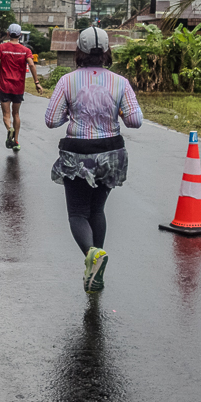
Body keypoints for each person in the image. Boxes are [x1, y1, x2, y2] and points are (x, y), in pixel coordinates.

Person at [44, 27, 142, 293]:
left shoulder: (67, 81)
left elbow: (52, 120)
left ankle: (93, 255)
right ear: (107, 52)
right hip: (111, 153)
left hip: (77, 153)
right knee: (97, 210)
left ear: (80, 51)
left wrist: (71, 115)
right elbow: (135, 120)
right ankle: (96, 262)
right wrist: (116, 113)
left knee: (77, 212)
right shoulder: (120, 82)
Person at [0, 23, 45, 150]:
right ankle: (16, 141)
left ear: (8, 34)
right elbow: (32, 65)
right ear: (20, 35)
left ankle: (9, 129)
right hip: (18, 86)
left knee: (6, 114)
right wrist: (36, 82)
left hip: (4, 85)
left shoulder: (2, 47)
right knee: (16, 113)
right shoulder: (25, 50)